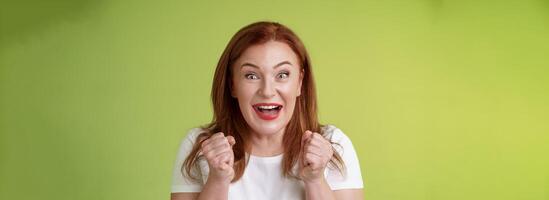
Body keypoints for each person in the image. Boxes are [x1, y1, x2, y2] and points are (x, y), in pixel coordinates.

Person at [170, 21, 364, 200]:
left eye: (282, 74)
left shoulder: (334, 145)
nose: (267, 91)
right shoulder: (200, 147)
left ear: (299, 82)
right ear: (232, 85)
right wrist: (218, 180)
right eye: (251, 76)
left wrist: (315, 180)